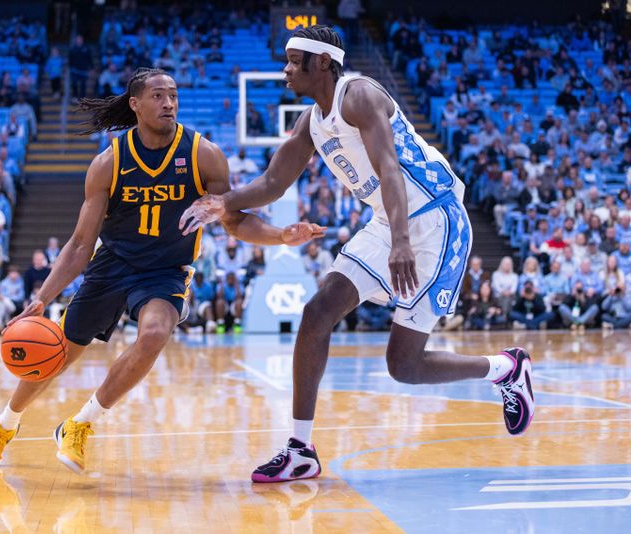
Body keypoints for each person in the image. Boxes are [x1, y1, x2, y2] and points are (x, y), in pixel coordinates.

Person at [179, 26, 534, 483]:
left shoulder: (360, 94)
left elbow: (389, 166)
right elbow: (272, 183)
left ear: (322, 63)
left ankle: (505, 369)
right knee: (317, 310)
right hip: (388, 221)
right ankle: (300, 448)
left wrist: (402, 240)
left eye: (294, 60)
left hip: (432, 220)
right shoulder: (311, 121)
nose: (285, 70)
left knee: (403, 366)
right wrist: (221, 204)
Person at [0, 67, 323, 473]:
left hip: (166, 269)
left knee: (155, 333)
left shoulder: (203, 155)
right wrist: (41, 298)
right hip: (113, 264)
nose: (168, 103)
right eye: (157, 96)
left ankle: (80, 425)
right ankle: (5, 424)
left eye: (173, 95)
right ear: (135, 104)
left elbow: (235, 221)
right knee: (58, 352)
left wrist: (281, 235)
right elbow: (81, 243)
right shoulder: (109, 162)